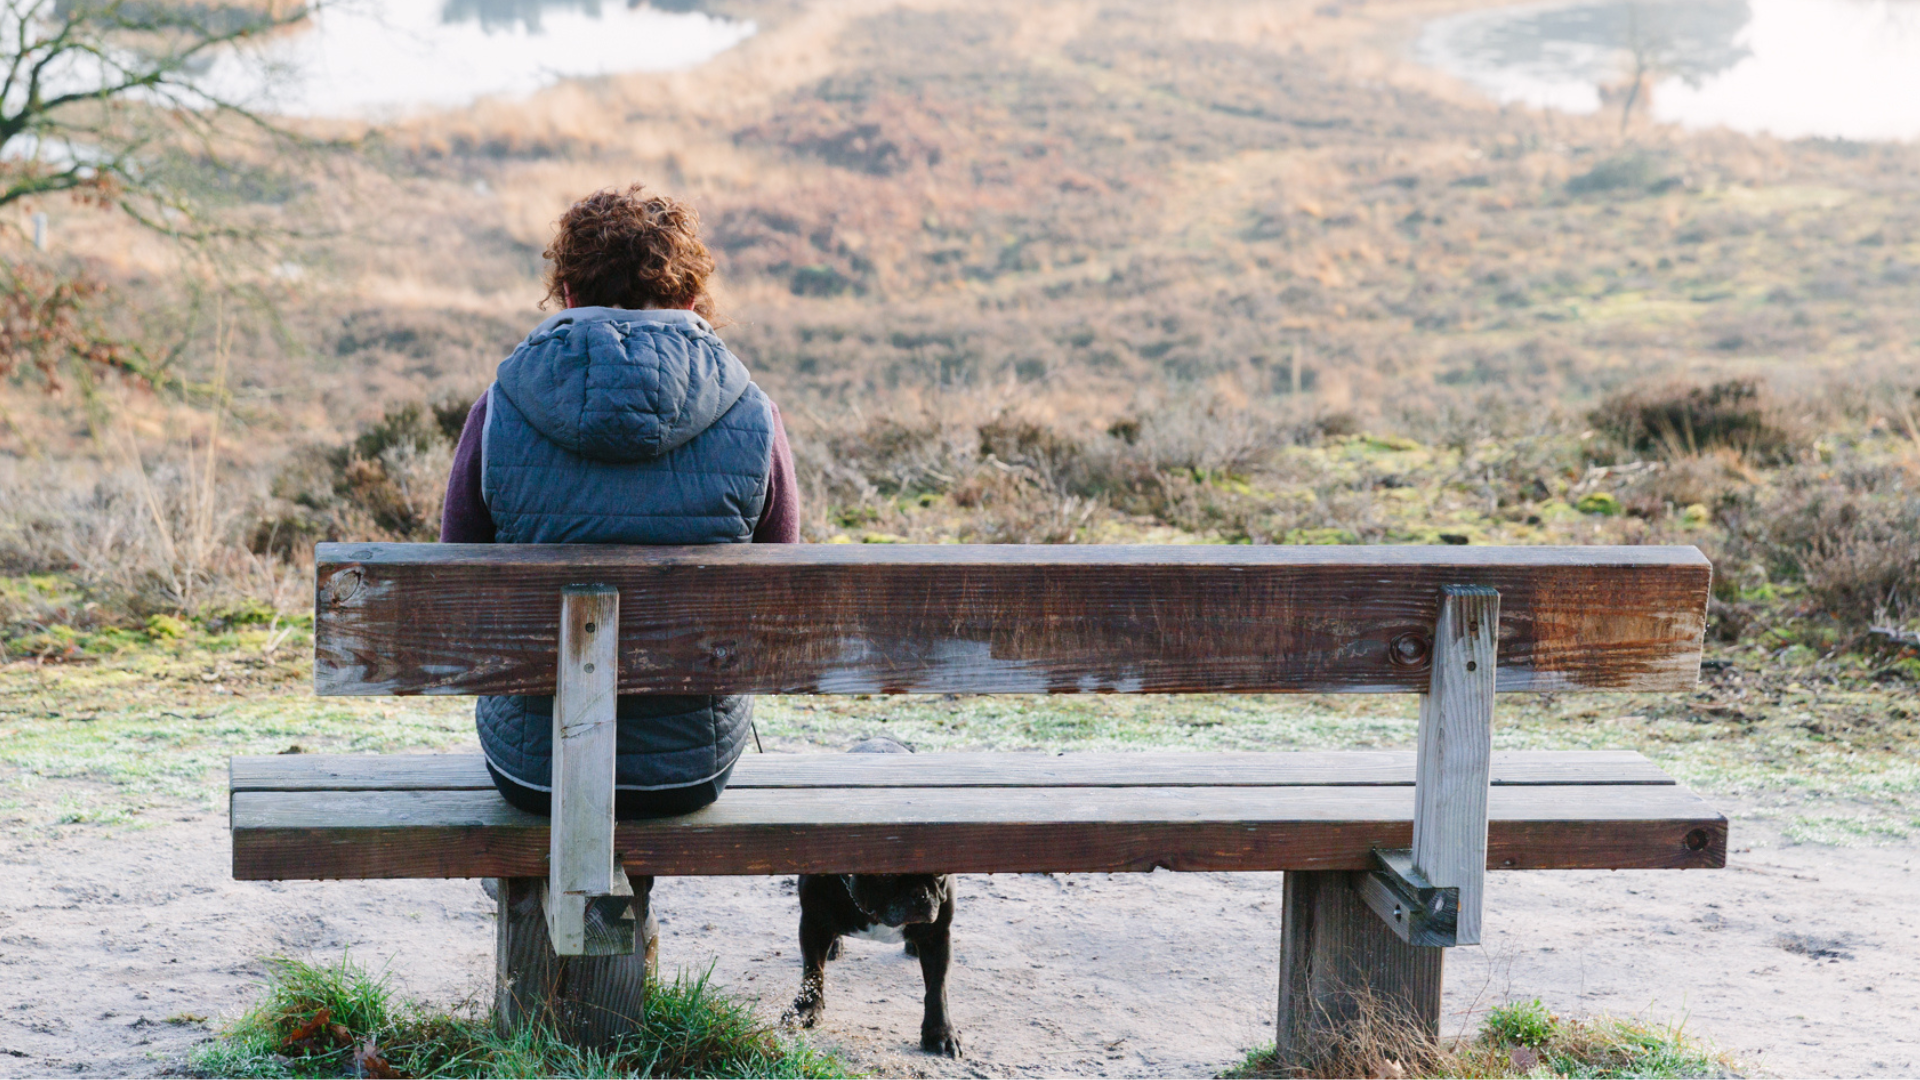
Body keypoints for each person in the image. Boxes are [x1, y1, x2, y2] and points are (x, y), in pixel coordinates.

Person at [439, 183, 800, 820]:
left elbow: (456, 589)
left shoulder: (499, 409)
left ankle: (562, 910)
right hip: (689, 767)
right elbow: (779, 596)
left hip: (534, 770)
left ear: (569, 296)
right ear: (691, 299)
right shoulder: (754, 415)